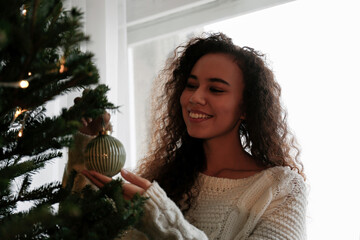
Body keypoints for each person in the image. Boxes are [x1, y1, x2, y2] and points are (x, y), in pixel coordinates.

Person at [69, 32, 307, 240]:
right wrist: (85, 142)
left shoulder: (282, 190)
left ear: (246, 107)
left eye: (215, 89)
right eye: (191, 85)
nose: (195, 98)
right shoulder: (162, 179)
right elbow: (78, 226)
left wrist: (164, 221)